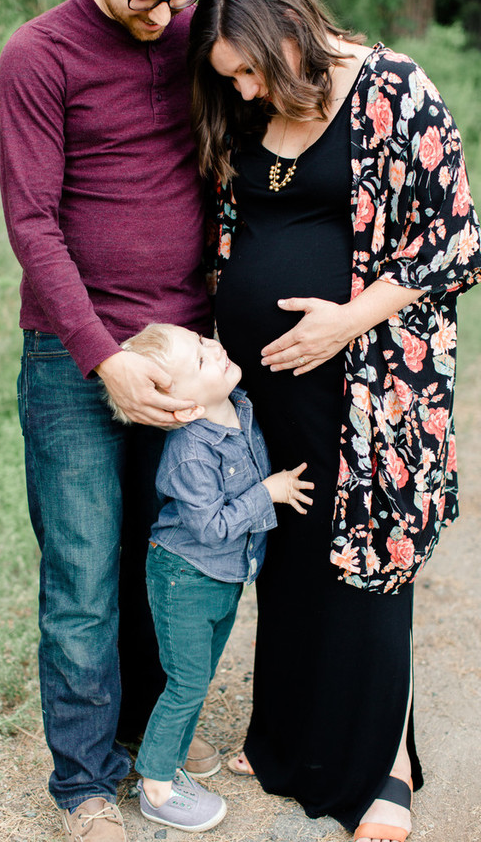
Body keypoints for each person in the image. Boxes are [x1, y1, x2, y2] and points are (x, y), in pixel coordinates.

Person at [187, 0, 481, 840]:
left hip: (365, 378)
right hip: (264, 383)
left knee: (369, 550)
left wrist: (344, 321)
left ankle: (386, 764)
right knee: (290, 551)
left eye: (248, 68)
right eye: (229, 77)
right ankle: (287, 736)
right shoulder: (253, 110)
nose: (242, 90)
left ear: (288, 27)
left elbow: (454, 237)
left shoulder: (394, 88)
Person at [0, 0, 221, 840]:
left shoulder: (205, 29)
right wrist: (104, 357)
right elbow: (31, 222)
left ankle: (141, 741)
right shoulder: (38, 55)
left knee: (164, 558)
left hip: (185, 347)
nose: (163, 13)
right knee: (83, 575)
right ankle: (85, 784)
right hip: (71, 356)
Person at [105, 322, 313, 831]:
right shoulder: (191, 452)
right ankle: (155, 784)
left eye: (202, 342)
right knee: (186, 684)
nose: (214, 348)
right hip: (186, 577)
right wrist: (269, 492)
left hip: (221, 578)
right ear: (186, 409)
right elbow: (212, 526)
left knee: (198, 680)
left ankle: (169, 762)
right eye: (199, 360)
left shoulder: (238, 406)